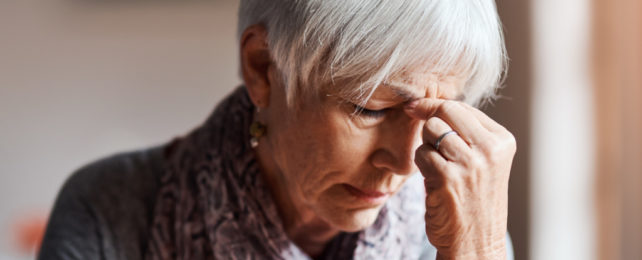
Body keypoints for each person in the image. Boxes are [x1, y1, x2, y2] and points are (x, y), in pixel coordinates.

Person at [38, 0, 516, 259]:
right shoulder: (106, 211)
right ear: (263, 69)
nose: (405, 161)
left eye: (434, 116)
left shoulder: (453, 225)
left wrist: (481, 251)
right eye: (369, 108)